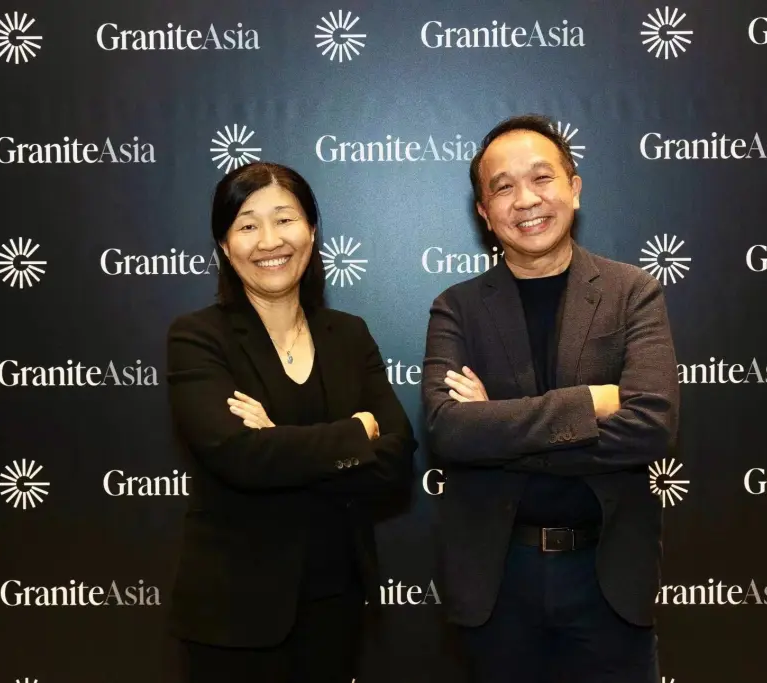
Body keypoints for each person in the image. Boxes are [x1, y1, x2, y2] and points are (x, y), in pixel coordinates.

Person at [422, 114, 679, 683]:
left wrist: (496, 429)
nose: (526, 200)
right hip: (497, 580)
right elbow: (449, 430)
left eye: (542, 178)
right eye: (503, 187)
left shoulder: (632, 292)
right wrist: (590, 403)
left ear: (574, 188)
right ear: (484, 212)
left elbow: (651, 427)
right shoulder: (457, 308)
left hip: (607, 576)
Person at [165, 161, 417, 683]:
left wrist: (277, 441)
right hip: (233, 615)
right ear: (224, 245)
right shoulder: (198, 338)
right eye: (247, 225)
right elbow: (239, 457)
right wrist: (354, 434)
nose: (269, 241)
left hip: (337, 604)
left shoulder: (349, 335)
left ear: (312, 231)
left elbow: (396, 457)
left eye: (284, 219)